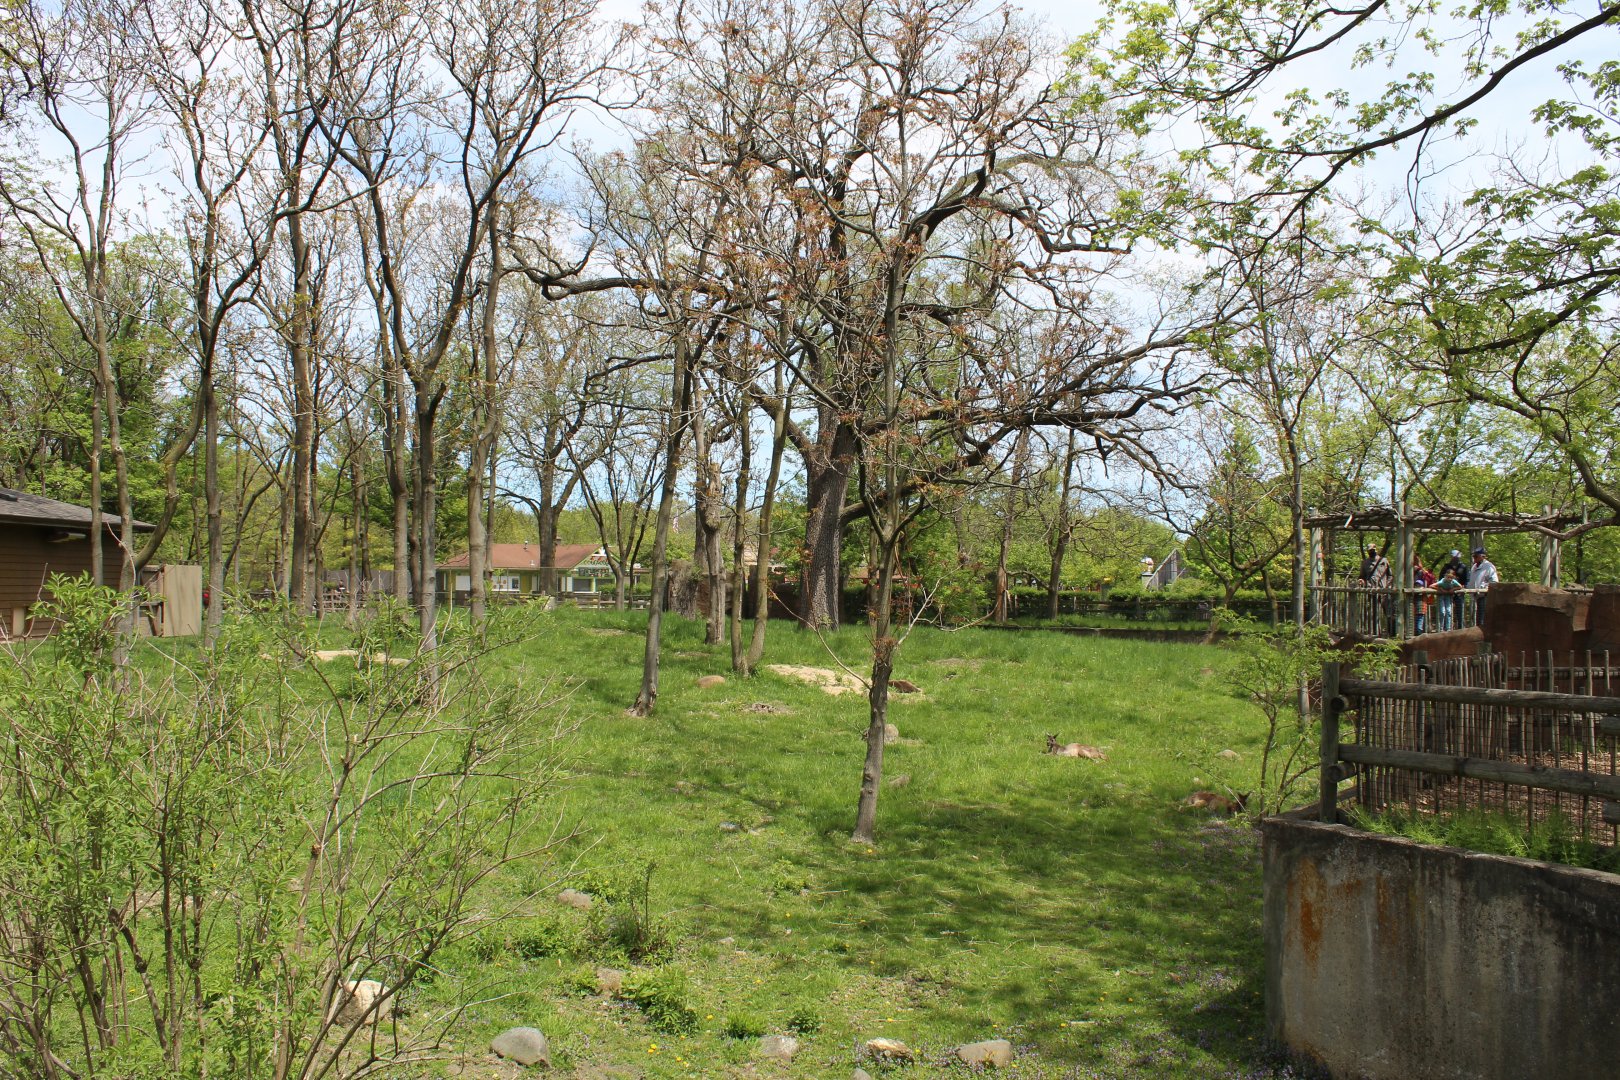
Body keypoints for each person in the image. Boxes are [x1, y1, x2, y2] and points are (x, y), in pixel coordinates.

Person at [1467, 547, 1498, 627]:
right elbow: (1472, 580)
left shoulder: (1489, 566)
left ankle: (1484, 635)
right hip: (1476, 596)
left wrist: (1483, 587)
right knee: (1477, 617)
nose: (1474, 558)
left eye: (1476, 556)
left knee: (1482, 618)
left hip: (1485, 596)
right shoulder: (1474, 567)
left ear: (1482, 556)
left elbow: (1494, 582)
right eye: (1473, 556)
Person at [1441, 549, 1468, 628]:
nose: (1455, 559)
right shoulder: (1446, 567)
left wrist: (1462, 588)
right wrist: (1443, 589)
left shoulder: (1463, 567)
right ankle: (1446, 629)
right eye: (1454, 557)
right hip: (1446, 592)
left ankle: (1461, 628)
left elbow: (1466, 580)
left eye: (1457, 557)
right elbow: (1440, 579)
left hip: (1458, 593)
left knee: (1460, 612)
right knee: (1446, 612)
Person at [1433, 566, 1465, 631]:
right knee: (1442, 612)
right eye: (1448, 577)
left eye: (1451, 577)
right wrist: (1441, 589)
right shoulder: (1442, 581)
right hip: (1441, 596)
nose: (1449, 579)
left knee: (1448, 612)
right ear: (1445, 576)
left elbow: (1460, 586)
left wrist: (1453, 589)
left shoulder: (1453, 581)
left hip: (1448, 596)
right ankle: (1440, 628)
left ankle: (1448, 628)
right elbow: (1431, 585)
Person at [1412, 554, 1436, 634]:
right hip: (1413, 595)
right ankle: (1418, 631)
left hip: (1422, 596)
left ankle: (1421, 632)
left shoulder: (1422, 573)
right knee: (1416, 615)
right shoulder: (1411, 573)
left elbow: (1431, 580)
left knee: (1421, 614)